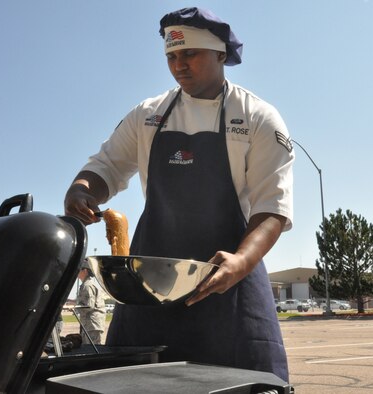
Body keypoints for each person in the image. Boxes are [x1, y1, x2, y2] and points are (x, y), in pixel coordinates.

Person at [64, 7, 294, 381]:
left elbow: (272, 208)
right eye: (171, 56)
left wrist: (240, 262)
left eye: (190, 54)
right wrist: (81, 189)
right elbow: (105, 167)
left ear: (220, 55)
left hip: (229, 285)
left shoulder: (257, 117)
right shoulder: (148, 115)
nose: (178, 66)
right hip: (148, 288)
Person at [75, 261, 106, 345]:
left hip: (92, 324)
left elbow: (89, 306)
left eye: (79, 270)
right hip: (90, 324)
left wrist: (74, 307)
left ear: (85, 271)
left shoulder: (88, 285)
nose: (77, 272)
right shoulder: (86, 284)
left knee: (92, 349)